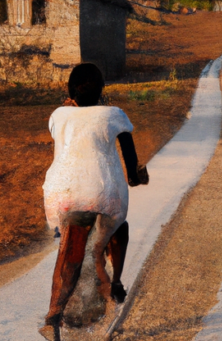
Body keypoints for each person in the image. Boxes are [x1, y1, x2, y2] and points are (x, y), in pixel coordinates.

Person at [39, 63, 148, 341]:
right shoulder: (115, 115)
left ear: (70, 92)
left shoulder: (58, 115)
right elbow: (133, 171)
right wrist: (139, 176)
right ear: (102, 92)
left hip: (63, 193)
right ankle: (116, 281)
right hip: (106, 193)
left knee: (69, 251)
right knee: (117, 227)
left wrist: (71, 106)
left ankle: (52, 316)